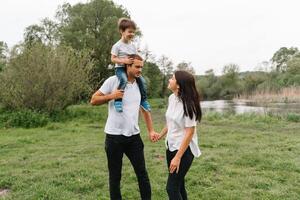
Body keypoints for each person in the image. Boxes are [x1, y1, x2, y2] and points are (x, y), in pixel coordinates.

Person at [90, 54, 159, 200]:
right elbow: (93, 100)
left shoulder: (140, 84)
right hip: (114, 137)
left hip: (134, 137)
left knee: (142, 174)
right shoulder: (113, 81)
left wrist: (151, 130)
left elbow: (144, 109)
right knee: (115, 177)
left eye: (141, 67)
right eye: (137, 67)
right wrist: (112, 96)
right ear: (128, 65)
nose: (140, 70)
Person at [157, 70, 202, 200]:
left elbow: (190, 132)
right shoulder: (172, 98)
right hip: (170, 146)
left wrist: (177, 157)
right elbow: (170, 122)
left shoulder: (189, 104)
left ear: (179, 85)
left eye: (172, 78)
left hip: (184, 150)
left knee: (171, 188)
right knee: (178, 185)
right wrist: (160, 135)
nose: (169, 80)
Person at [111, 17, 151, 112]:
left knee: (142, 81)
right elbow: (113, 59)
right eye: (129, 32)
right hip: (120, 68)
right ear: (122, 31)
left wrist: (139, 58)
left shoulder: (132, 46)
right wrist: (124, 61)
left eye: (133, 32)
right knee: (124, 80)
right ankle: (118, 100)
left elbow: (135, 56)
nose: (132, 34)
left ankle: (143, 100)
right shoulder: (117, 45)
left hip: (131, 70)